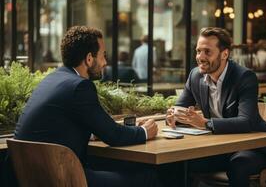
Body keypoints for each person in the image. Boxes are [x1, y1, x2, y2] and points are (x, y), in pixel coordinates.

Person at [12, 26, 160, 187]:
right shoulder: (80, 86)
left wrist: (91, 133)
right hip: (65, 178)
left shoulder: (52, 79)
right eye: (103, 55)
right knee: (147, 178)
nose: (105, 62)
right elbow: (113, 135)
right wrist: (145, 132)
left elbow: (57, 127)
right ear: (89, 58)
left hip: (32, 177)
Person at [166, 27, 266, 187]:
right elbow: (180, 108)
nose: (200, 57)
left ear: (225, 54)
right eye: (198, 51)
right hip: (219, 147)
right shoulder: (195, 75)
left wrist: (205, 123)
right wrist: (174, 115)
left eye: (207, 52)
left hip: (253, 147)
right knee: (178, 162)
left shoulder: (244, 77)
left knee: (238, 164)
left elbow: (246, 122)